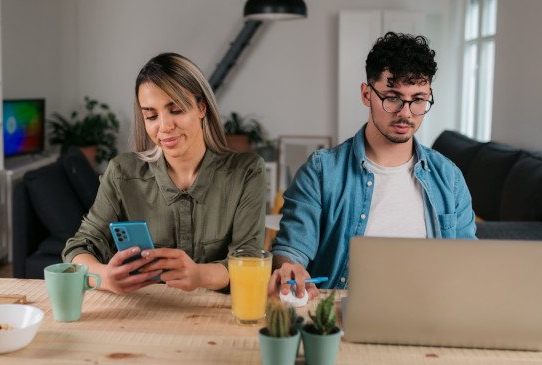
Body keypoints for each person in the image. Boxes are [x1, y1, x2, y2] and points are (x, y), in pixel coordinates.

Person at [268, 32, 476, 299]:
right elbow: (292, 248)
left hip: (429, 315)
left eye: (419, 99)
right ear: (367, 94)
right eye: (392, 97)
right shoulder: (321, 172)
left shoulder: (450, 178)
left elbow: (468, 264)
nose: (405, 112)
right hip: (343, 316)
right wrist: (289, 268)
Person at [62, 52, 266, 294]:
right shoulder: (121, 172)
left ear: (201, 107)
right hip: (142, 313)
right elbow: (79, 247)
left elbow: (249, 259)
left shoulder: (246, 172)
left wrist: (199, 275)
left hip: (216, 313)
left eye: (176, 109)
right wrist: (105, 277)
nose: (165, 127)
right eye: (151, 115)